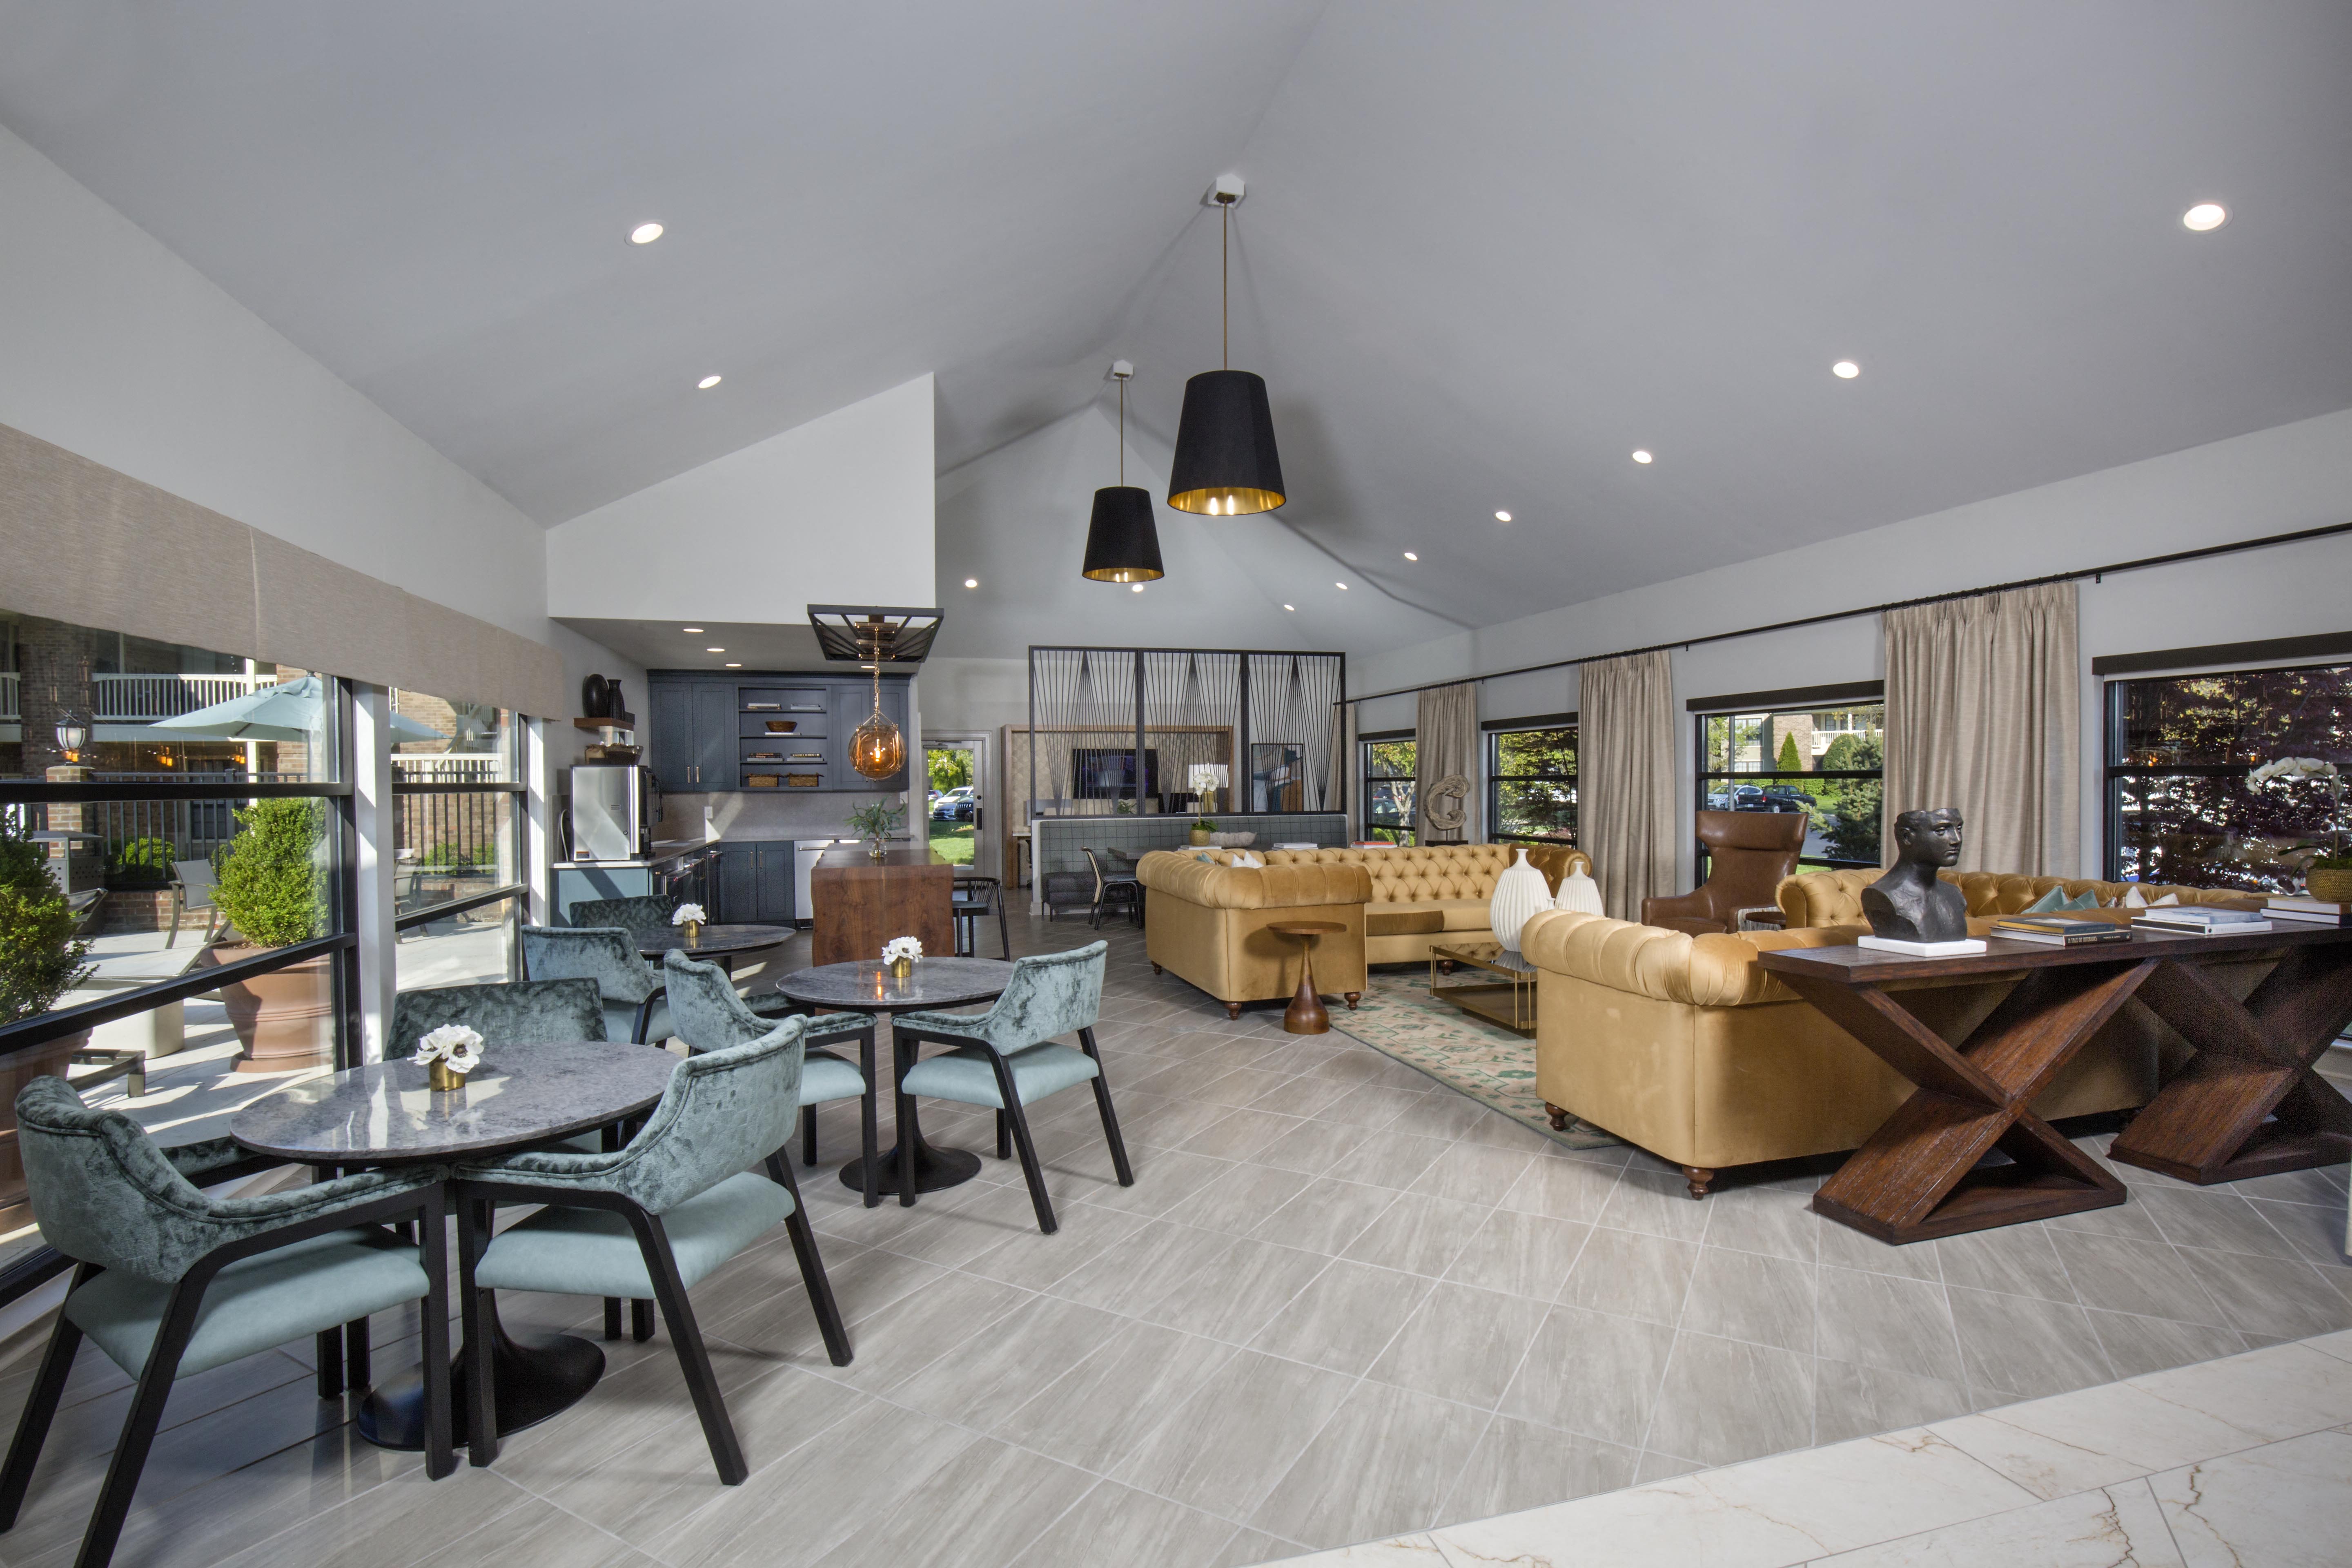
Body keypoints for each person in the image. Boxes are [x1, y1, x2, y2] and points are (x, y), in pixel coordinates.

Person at [1862, 806, 1969, 943]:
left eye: (1959, 829)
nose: (1957, 839)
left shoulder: (1955, 895)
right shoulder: (1883, 895)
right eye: (1941, 831)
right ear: (1907, 837)